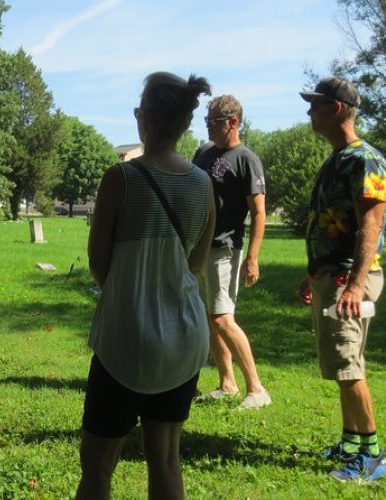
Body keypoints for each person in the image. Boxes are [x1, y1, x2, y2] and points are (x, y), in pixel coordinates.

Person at [76, 72, 215, 500]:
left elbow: (100, 264)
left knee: (98, 466)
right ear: (184, 125)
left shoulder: (121, 178)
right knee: (167, 459)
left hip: (127, 339)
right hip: (184, 339)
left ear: (144, 119)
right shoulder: (203, 184)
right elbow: (196, 263)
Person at [298, 77, 386, 482]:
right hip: (331, 275)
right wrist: (313, 272)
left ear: (336, 108)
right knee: (343, 364)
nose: (309, 112)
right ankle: (352, 443)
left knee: (348, 366)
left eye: (315, 104)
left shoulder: (364, 159)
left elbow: (371, 224)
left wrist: (353, 285)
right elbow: (328, 223)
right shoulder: (338, 157)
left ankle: (372, 457)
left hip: (348, 280)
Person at [193, 95, 271, 409]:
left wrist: (252, 256)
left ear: (233, 122)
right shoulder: (202, 154)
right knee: (208, 318)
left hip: (225, 247)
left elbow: (259, 212)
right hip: (198, 246)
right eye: (207, 122)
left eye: (214, 122)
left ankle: (257, 389)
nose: (208, 128)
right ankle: (227, 383)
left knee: (223, 318)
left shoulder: (246, 159)